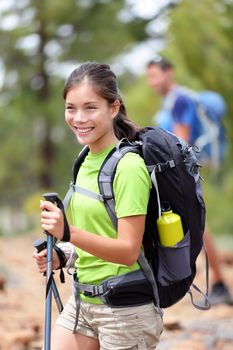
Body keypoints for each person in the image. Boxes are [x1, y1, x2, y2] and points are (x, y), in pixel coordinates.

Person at [33, 62, 163, 350]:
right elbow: (94, 236)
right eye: (71, 108)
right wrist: (62, 255)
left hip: (124, 312)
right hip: (82, 302)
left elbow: (128, 252)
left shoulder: (128, 167)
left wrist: (68, 232)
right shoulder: (84, 160)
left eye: (90, 108)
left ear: (113, 108)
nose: (79, 118)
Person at [146, 56, 233, 306]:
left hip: (183, 173)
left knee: (200, 227)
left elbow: (179, 142)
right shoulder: (173, 101)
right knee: (197, 225)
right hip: (183, 172)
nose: (152, 82)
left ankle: (218, 283)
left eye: (155, 76)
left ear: (168, 73)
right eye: (149, 77)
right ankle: (212, 281)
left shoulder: (180, 100)